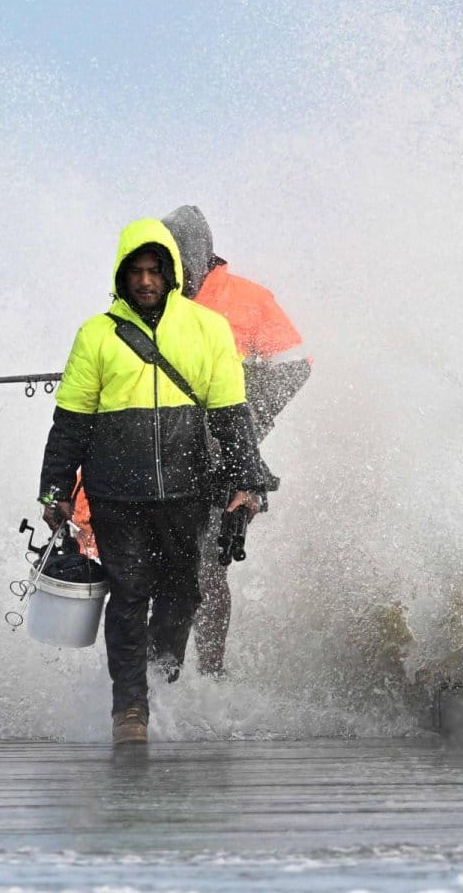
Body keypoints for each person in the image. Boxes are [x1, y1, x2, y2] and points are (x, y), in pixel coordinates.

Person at [38, 218, 270, 745]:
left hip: (188, 493)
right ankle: (130, 711)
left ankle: (160, 682)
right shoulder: (96, 335)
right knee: (127, 595)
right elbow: (70, 423)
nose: (145, 281)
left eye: (154, 271)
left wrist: (246, 481)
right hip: (116, 496)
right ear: (122, 276)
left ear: (171, 274)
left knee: (183, 593)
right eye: (135, 272)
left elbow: (232, 417)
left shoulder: (209, 330)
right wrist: (54, 490)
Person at [161, 205, 310, 677]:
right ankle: (159, 674)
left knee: (209, 567)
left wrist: (244, 404)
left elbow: (296, 363)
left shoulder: (249, 299)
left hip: (228, 456)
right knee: (163, 565)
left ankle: (211, 673)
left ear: (200, 257)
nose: (173, 275)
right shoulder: (154, 300)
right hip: (166, 454)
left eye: (180, 263)